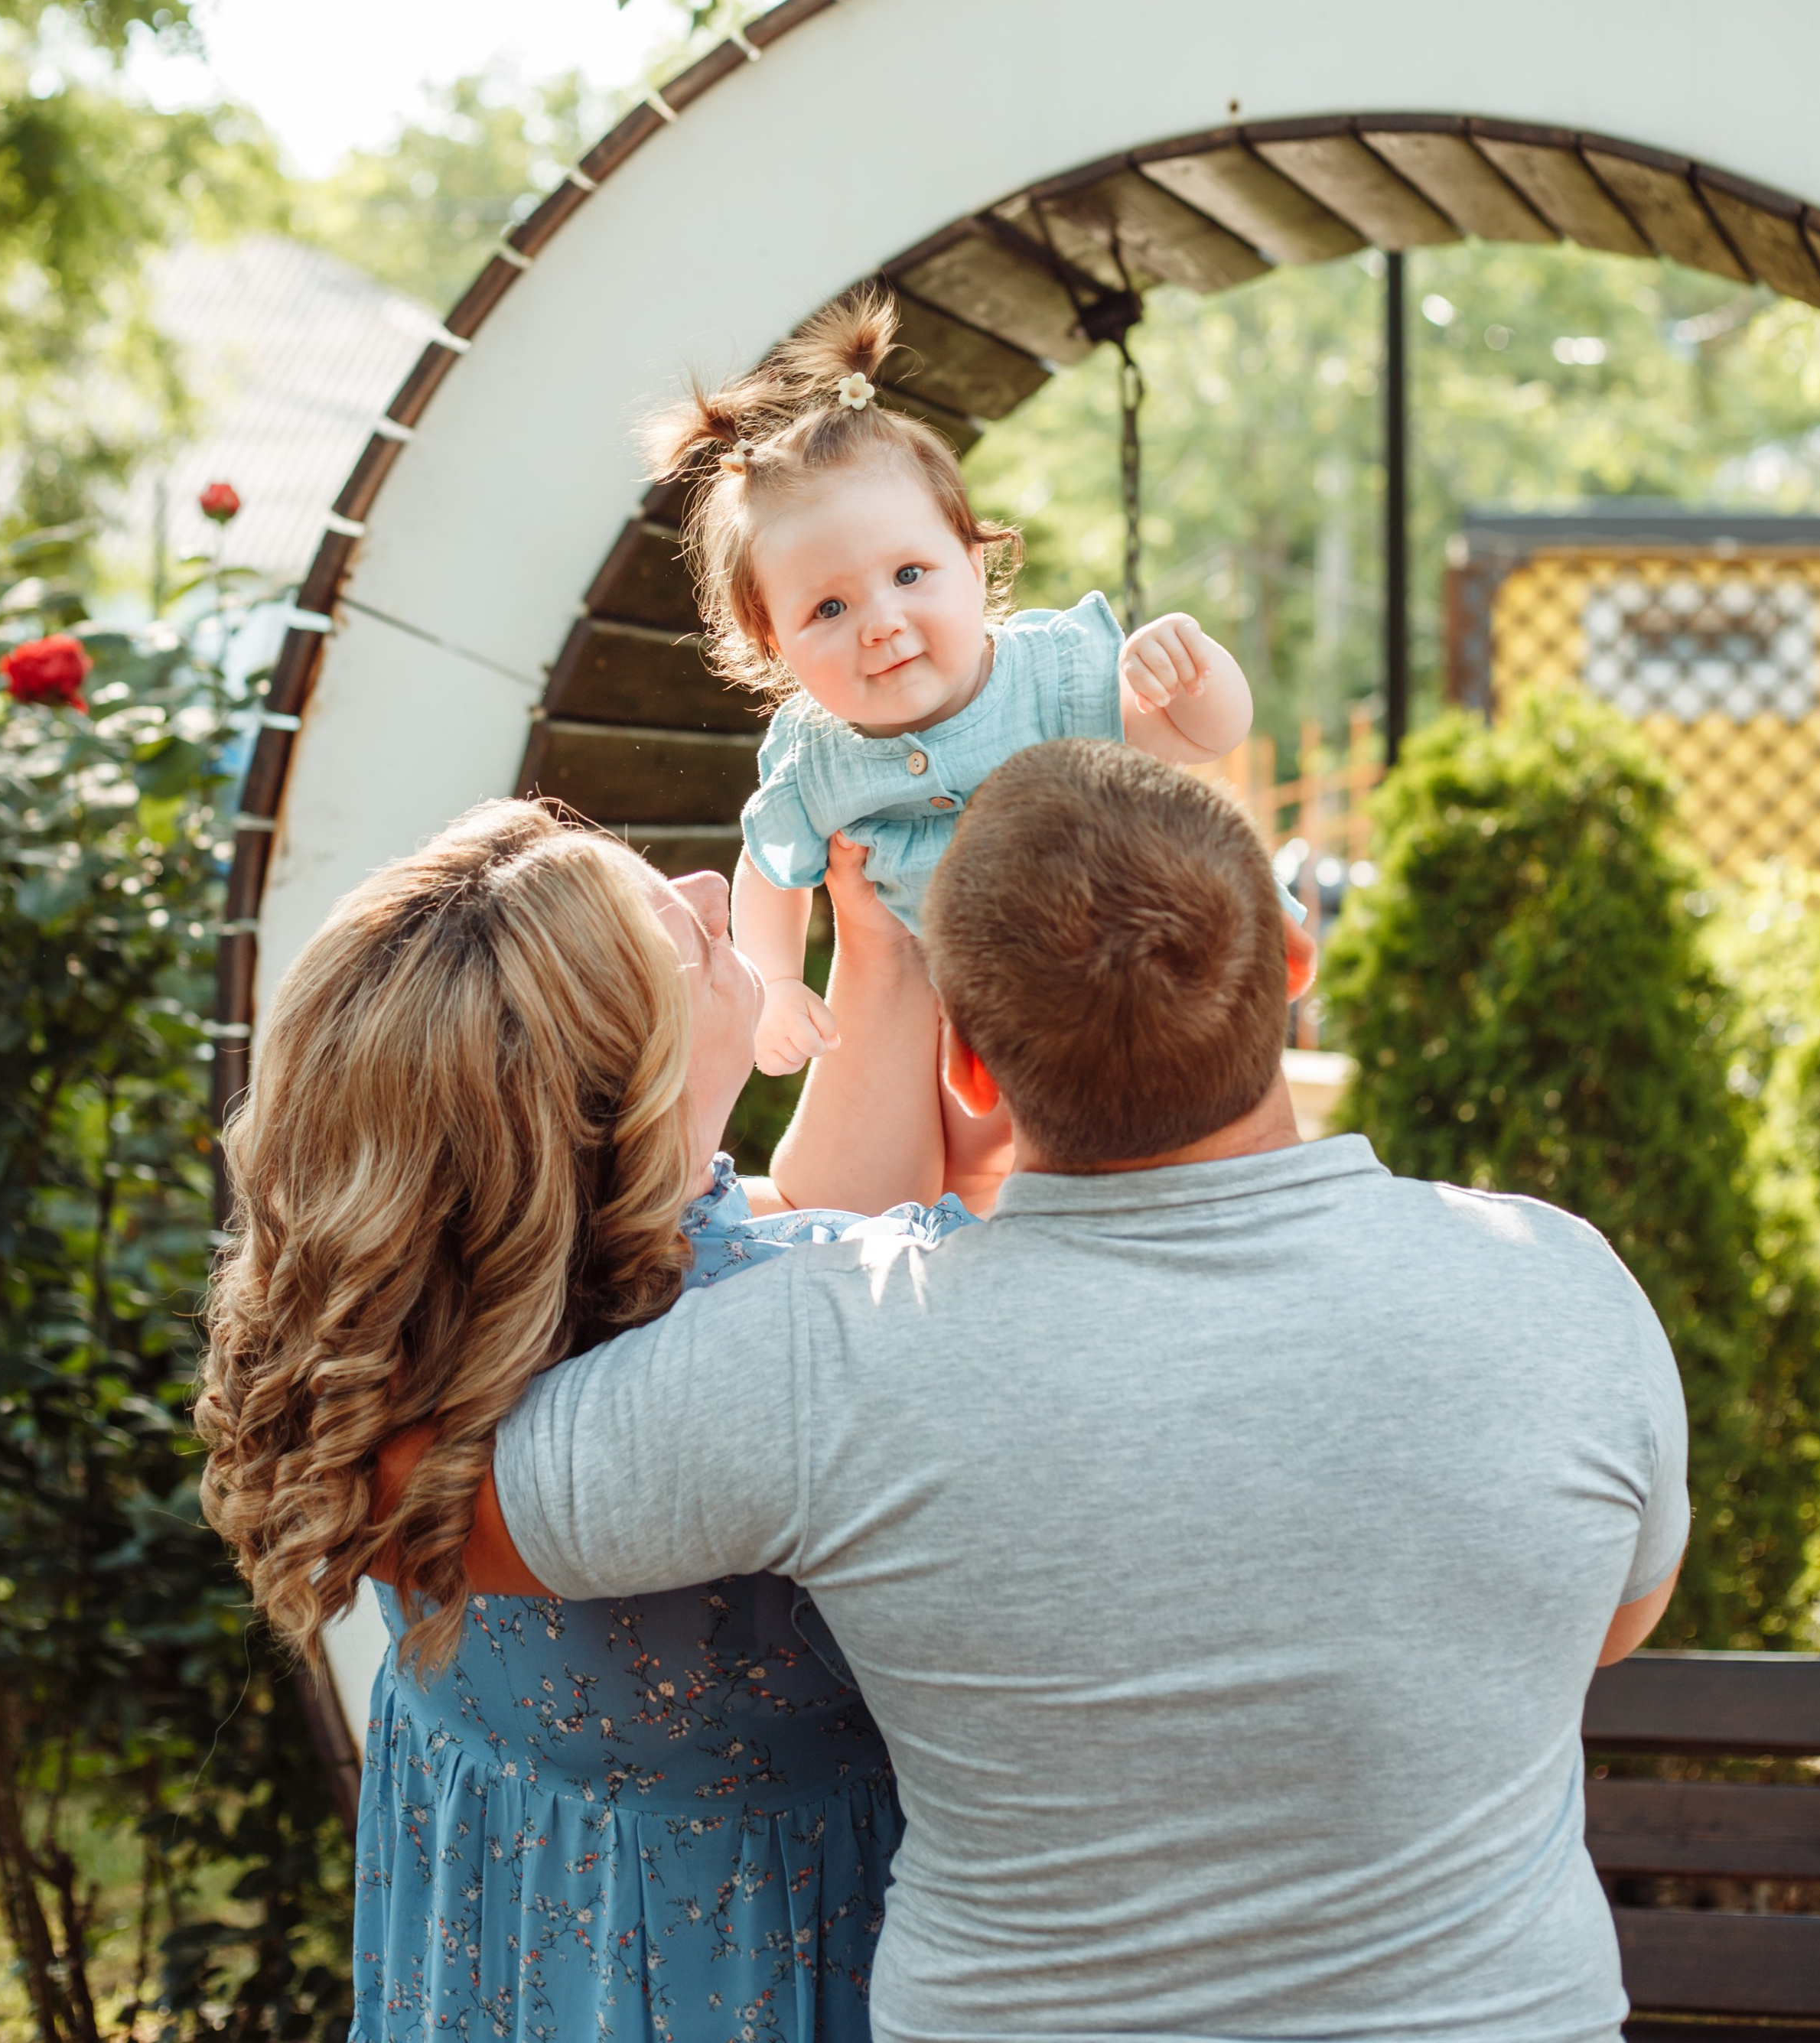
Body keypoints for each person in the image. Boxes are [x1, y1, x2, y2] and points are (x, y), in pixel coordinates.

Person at [493, 740, 1691, 2043]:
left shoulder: (838, 1347)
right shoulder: (1558, 1285)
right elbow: (1613, 1626)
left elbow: (423, 1513)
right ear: (1293, 968)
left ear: (965, 1063)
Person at [195, 799, 968, 2043]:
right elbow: (826, 1259)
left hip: (506, 1929)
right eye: (687, 937)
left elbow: (798, 1217)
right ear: (624, 1095)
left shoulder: (398, 1329)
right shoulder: (824, 1326)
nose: (719, 890)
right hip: (781, 1953)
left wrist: (879, 959)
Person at [643, 290, 1255, 1104]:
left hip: (1132, 990)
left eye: (908, 575)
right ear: (774, 646)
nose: (881, 623)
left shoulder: (1055, 678)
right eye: (829, 608)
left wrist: (1193, 669)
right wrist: (778, 984)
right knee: (969, 1137)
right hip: (966, 1014)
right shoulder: (813, 758)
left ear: (973, 565)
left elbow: (1201, 736)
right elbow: (769, 868)